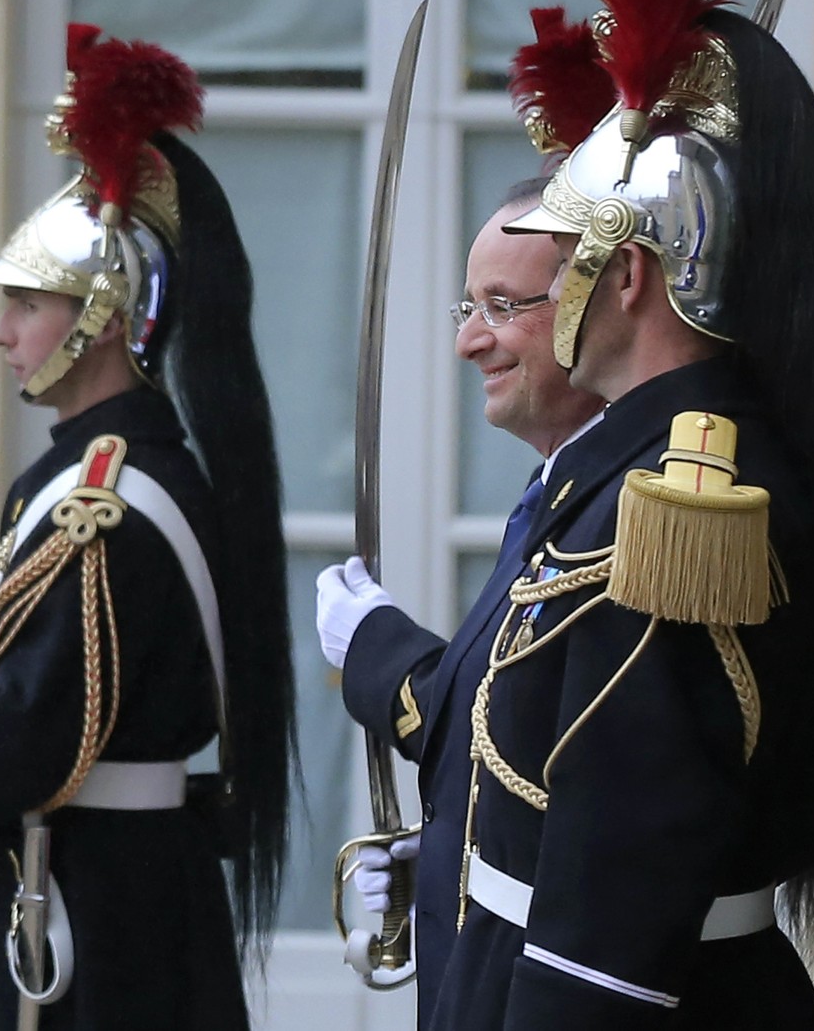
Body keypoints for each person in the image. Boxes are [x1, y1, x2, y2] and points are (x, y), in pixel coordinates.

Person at [433, 0, 814, 1028]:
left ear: (626, 279)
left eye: (566, 258)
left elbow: (610, 907)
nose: (548, 281)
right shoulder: (623, 473)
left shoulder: (674, 508)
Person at [0, 25, 295, 1031]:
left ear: (104, 317)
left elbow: (28, 732)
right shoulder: (100, 472)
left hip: (86, 902)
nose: (2, 331)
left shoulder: (104, 502)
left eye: (27, 303)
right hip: (111, 884)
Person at [314, 176, 603, 1023]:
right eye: (465, 309)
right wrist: (447, 853)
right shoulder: (562, 489)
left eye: (503, 305)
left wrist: (374, 645)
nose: (469, 341)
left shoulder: (634, 504)